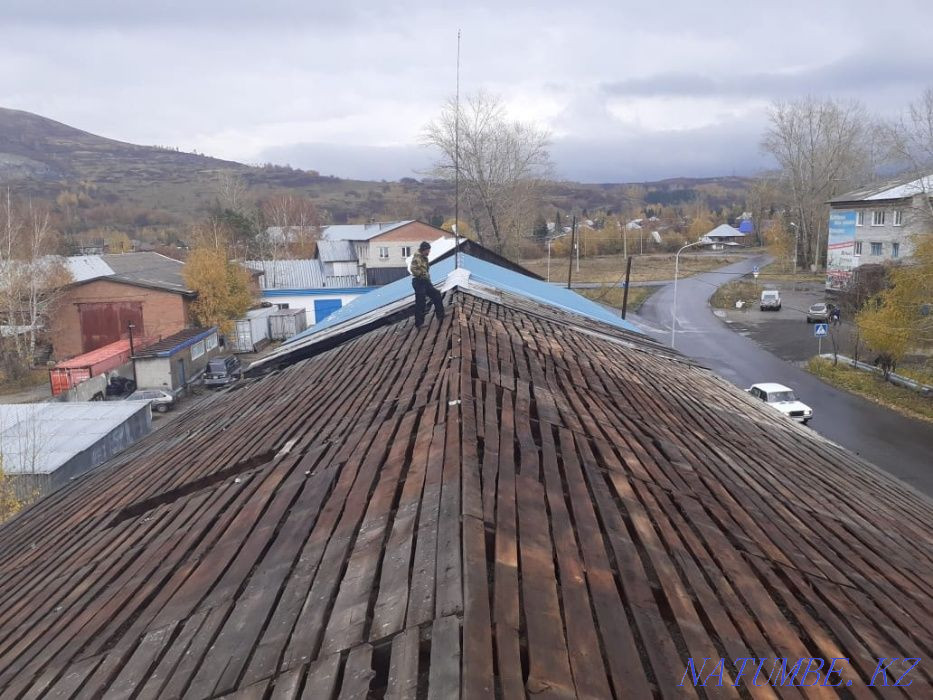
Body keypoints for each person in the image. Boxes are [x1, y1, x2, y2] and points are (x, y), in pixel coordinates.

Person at [410, 241, 445, 328]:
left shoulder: (424, 258)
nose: (429, 252)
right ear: (423, 250)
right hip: (418, 281)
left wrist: (427, 278)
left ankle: (440, 315)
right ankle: (419, 323)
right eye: (428, 250)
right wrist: (421, 274)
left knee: (436, 294)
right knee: (420, 302)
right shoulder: (417, 257)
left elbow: (426, 270)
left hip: (425, 281)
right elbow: (413, 269)